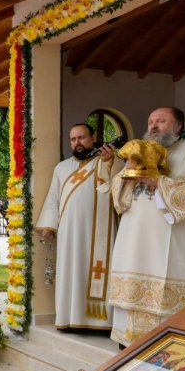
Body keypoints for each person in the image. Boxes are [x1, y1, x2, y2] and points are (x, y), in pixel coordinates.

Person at [106, 107, 185, 346]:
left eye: (161, 121)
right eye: (151, 120)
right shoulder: (138, 150)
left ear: (178, 126)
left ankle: (171, 344)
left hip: (174, 238)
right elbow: (119, 197)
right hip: (134, 237)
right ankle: (128, 342)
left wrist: (158, 183)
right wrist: (126, 173)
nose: (154, 126)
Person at [36, 123, 123, 330]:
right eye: (73, 139)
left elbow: (119, 185)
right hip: (69, 231)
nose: (77, 143)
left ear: (93, 138)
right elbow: (53, 197)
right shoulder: (62, 167)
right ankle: (71, 318)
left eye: (82, 137)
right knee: (71, 270)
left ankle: (103, 322)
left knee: (101, 270)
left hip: (101, 230)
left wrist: (111, 162)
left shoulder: (107, 160)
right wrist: (49, 224)